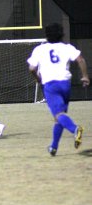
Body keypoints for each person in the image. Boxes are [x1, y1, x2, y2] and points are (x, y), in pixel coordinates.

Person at [27, 22, 89, 155]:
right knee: (60, 116)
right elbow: (81, 60)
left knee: (59, 115)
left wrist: (37, 79)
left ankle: (75, 129)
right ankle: (53, 147)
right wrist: (85, 77)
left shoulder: (40, 49)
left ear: (46, 35)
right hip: (65, 84)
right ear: (62, 35)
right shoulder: (67, 47)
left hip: (50, 85)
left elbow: (32, 68)